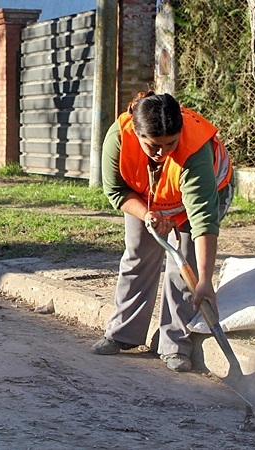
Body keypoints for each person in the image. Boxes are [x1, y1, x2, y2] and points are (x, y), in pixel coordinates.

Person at [90, 91, 233, 372]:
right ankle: (123, 334)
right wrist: (148, 216)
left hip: (203, 195)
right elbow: (116, 191)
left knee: (183, 268)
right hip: (147, 197)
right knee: (138, 255)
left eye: (170, 143)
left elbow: (203, 219)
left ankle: (175, 345)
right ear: (138, 133)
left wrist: (204, 279)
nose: (162, 152)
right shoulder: (118, 138)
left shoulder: (194, 150)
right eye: (154, 145)